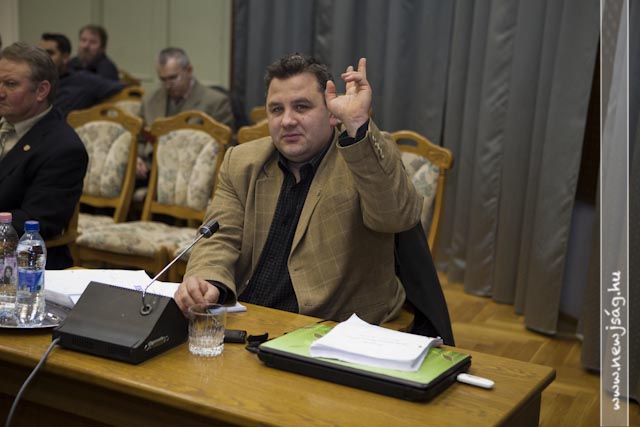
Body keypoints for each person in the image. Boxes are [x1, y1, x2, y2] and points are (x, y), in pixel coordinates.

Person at [174, 54, 422, 324]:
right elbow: (219, 237)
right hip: (250, 315)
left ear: (331, 112)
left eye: (301, 107)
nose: (287, 121)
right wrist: (207, 281)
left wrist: (358, 126)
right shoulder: (241, 162)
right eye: (276, 110)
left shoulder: (362, 156)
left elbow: (395, 217)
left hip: (330, 323)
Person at [0, 42, 88, 269]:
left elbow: (34, 221)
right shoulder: (4, 125)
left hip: (23, 265)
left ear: (41, 91)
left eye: (10, 84)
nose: (0, 92)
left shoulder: (63, 148)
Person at [137, 47, 234, 181]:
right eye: (162, 79)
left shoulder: (216, 102)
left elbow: (225, 148)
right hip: (150, 171)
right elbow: (138, 137)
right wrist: (136, 157)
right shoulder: (150, 100)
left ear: (189, 70)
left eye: (173, 78)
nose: (167, 85)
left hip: (192, 176)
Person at [39, 33, 125, 117]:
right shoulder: (35, 80)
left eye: (50, 53)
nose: (43, 59)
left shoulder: (83, 80)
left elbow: (122, 88)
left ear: (65, 57)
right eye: (40, 53)